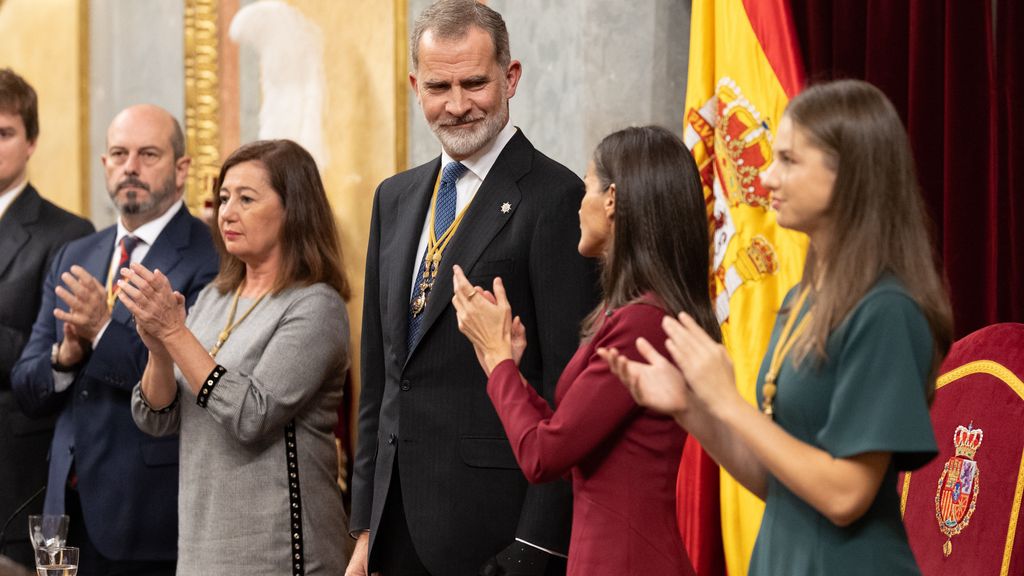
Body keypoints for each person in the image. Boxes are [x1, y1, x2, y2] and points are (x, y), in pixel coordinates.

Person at [600, 79, 954, 575]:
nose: (765, 179)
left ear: (849, 175)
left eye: (788, 160)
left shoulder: (886, 310)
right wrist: (692, 409)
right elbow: (778, 483)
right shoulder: (801, 301)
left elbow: (845, 494)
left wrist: (728, 403)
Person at [348, 1, 599, 574]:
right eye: (439, 86)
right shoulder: (395, 197)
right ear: (415, 86)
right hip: (394, 528)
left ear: (511, 78)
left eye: (475, 83)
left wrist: (535, 547)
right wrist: (363, 526)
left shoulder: (555, 198)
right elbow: (382, 376)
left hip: (495, 533)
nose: (457, 105)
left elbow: (568, 389)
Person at [451, 125, 712, 575]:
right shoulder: (634, 315)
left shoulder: (641, 324)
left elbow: (543, 456)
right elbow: (566, 432)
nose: (580, 202)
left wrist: (497, 363)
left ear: (611, 200)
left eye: (588, 185)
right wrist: (508, 365)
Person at [122, 139, 351, 575]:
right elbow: (158, 419)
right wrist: (158, 350)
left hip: (280, 550)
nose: (226, 212)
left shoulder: (315, 306)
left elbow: (252, 415)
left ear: (294, 209)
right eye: (224, 197)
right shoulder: (212, 296)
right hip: (201, 546)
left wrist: (174, 332)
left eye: (246, 199)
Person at [11, 104, 219, 576]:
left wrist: (103, 329)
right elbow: (26, 383)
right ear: (104, 165)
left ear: (181, 167)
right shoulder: (77, 252)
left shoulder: (209, 256)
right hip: (65, 509)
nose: (131, 167)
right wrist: (65, 357)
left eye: (148, 154)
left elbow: (194, 383)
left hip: (147, 514)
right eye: (119, 154)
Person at [0, 68, 93, 567]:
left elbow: (45, 354)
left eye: (4, 133)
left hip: (15, 473)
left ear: (31, 140)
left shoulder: (68, 232)